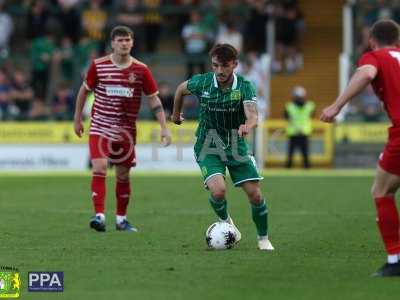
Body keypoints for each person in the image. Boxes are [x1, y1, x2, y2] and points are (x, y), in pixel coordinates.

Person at [172, 43, 274, 250]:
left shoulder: (245, 86)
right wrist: (175, 114)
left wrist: (249, 125)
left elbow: (253, 115)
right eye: (215, 65)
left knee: (255, 194)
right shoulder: (203, 82)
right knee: (218, 191)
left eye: (224, 66)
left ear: (234, 64)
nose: (219, 71)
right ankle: (228, 225)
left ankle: (263, 239)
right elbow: (180, 89)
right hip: (208, 144)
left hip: (236, 145)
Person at [321, 19, 400, 276]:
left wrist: (337, 105)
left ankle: (395, 259)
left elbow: (366, 73)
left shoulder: (374, 56)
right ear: (397, 40)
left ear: (372, 40)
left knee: (381, 190)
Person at [74, 25, 171, 232]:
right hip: (100, 127)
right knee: (99, 168)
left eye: (127, 40)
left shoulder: (141, 69)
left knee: (123, 176)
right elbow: (84, 91)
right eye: (120, 40)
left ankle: (121, 220)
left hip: (125, 132)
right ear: (112, 43)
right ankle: (99, 216)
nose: (124, 43)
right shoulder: (98, 66)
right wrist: (77, 119)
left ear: (132, 43)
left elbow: (154, 100)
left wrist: (164, 127)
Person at [284, 86, 315, 168]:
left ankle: (302, 168)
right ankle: (305, 168)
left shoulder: (289, 106)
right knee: (294, 154)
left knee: (302, 154)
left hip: (299, 132)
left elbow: (286, 117)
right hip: (297, 132)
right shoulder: (309, 105)